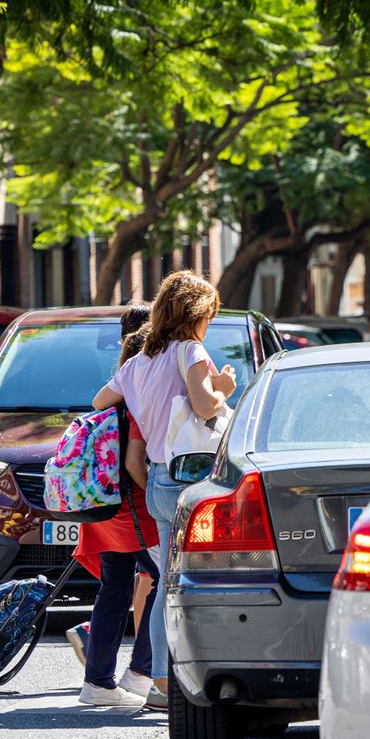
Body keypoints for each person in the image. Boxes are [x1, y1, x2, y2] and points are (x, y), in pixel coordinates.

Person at [93, 270, 236, 710]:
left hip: (156, 481)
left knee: (167, 584)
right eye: (209, 315)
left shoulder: (138, 363)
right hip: (191, 478)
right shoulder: (190, 350)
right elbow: (204, 404)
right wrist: (223, 387)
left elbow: (100, 402)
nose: (209, 324)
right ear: (196, 314)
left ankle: (160, 683)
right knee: (213, 576)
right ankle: (216, 668)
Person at [69, 304, 160, 707]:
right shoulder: (140, 388)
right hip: (135, 508)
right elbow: (134, 462)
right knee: (166, 579)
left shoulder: (113, 389)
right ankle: (141, 673)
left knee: (114, 588)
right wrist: (154, 496)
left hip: (103, 506)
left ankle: (98, 682)